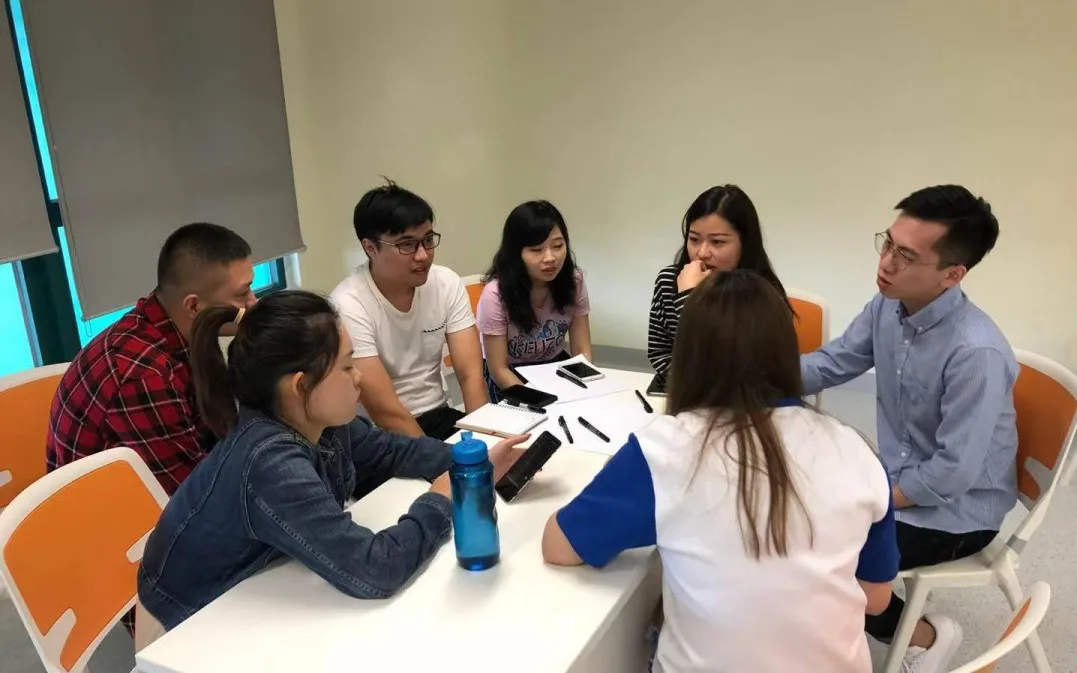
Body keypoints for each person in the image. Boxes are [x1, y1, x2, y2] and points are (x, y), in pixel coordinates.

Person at [543, 269, 898, 673]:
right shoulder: (855, 449)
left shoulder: (665, 449)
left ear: (689, 356)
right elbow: (876, 599)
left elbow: (559, 545)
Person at [136, 290, 524, 636]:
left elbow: (390, 451)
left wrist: (472, 461)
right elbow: (376, 569)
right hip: (190, 621)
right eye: (347, 365)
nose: (359, 378)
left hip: (266, 583)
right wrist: (440, 500)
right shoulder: (269, 462)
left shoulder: (317, 418)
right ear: (300, 385)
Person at [801, 185, 1017, 673]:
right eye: (888, 243)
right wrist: (747, 373)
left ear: (952, 274)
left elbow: (949, 476)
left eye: (906, 256)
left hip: (957, 513)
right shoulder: (889, 305)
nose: (886, 263)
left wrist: (868, 497)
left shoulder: (976, 353)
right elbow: (834, 362)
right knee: (798, 518)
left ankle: (924, 637)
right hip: (899, 478)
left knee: (818, 557)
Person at [47, 222, 256, 495]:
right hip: (107, 512)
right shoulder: (144, 377)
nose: (253, 302)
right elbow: (196, 496)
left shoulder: (178, 328)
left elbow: (215, 434)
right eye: (242, 294)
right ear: (194, 305)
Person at [332, 181, 488, 440]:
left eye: (428, 240)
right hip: (379, 435)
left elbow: (471, 376)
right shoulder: (348, 304)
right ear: (370, 248)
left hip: (439, 415)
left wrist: (482, 443)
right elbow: (385, 411)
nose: (423, 255)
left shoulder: (446, 282)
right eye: (407, 245)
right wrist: (439, 457)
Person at [647, 184, 788, 377]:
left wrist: (689, 299)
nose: (702, 253)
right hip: (682, 389)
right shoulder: (669, 281)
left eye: (718, 242)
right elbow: (660, 353)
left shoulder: (765, 294)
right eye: (694, 239)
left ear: (745, 244)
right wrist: (686, 386)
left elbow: (732, 369)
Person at [476, 200, 593, 401]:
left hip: (553, 363)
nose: (550, 258)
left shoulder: (574, 281)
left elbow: (582, 350)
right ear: (516, 252)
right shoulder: (495, 295)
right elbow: (499, 369)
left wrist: (586, 387)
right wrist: (538, 401)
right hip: (511, 372)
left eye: (558, 246)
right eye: (536, 250)